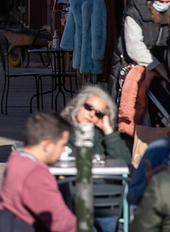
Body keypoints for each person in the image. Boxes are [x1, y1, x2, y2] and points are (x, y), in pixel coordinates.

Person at [0, 111, 75, 232]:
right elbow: (60, 221)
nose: (64, 150)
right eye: (62, 145)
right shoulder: (35, 173)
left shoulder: (16, 159)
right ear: (47, 145)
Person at [60, 86, 130, 232]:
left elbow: (125, 163)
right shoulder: (61, 131)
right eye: (88, 107)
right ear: (79, 105)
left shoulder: (102, 139)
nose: (92, 114)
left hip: (103, 201)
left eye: (98, 113)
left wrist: (108, 130)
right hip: (70, 201)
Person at [116, 0, 170, 136]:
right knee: (141, 108)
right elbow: (134, 46)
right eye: (161, 1)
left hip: (162, 64)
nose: (165, 4)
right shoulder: (134, 14)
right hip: (140, 64)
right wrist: (157, 66)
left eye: (167, 1)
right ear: (151, 0)